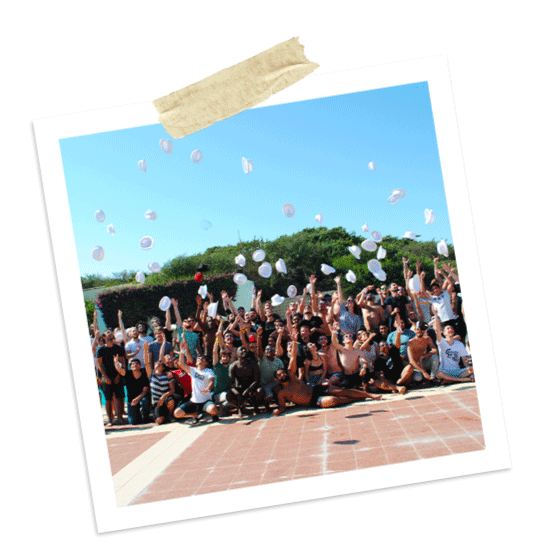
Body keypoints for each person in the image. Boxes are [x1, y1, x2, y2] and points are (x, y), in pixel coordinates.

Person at [272, 331, 381, 416]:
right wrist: (278, 410)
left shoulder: (292, 378)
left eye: (283, 373)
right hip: (312, 401)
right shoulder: (282, 393)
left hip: (316, 389)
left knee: (340, 391)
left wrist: (295, 342)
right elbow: (282, 407)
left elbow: (293, 357)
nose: (283, 375)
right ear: (277, 379)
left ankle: (370, 395)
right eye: (279, 375)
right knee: (332, 400)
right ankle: (355, 398)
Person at [173, 343, 219, 423]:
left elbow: (211, 381)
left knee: (213, 409)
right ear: (196, 362)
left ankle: (213, 415)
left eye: (202, 358)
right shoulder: (193, 370)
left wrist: (208, 388)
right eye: (198, 358)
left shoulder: (209, 371)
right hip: (194, 401)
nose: (200, 359)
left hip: (205, 401)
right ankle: (194, 415)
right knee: (176, 413)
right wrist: (182, 351)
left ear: (206, 363)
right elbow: (181, 364)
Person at [96, 329, 127, 426]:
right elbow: (99, 365)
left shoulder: (118, 348)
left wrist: (119, 375)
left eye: (111, 333)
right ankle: (110, 419)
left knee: (120, 397)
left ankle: (120, 418)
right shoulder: (100, 350)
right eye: (107, 333)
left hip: (117, 374)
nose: (110, 334)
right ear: (104, 337)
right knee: (108, 399)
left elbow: (122, 363)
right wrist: (105, 377)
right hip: (106, 377)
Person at [433, 315, 474, 383]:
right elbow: (437, 331)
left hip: (457, 371)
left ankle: (450, 380)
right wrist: (436, 315)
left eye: (451, 328)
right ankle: (463, 379)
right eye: (448, 329)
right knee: (439, 374)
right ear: (444, 333)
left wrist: (469, 369)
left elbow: (464, 359)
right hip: (445, 371)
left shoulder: (459, 344)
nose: (450, 330)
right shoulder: (442, 342)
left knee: (471, 369)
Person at [227, 346, 265, 416]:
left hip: (252, 387)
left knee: (260, 391)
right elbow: (231, 384)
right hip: (240, 388)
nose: (244, 351)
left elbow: (257, 380)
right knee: (229, 395)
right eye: (241, 350)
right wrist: (237, 393)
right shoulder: (233, 366)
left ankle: (255, 406)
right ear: (237, 353)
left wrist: (248, 389)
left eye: (245, 349)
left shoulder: (253, 364)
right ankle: (240, 407)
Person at [113, 357, 151, 425]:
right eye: (132, 364)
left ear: (140, 366)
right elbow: (120, 370)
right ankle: (138, 416)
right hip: (131, 400)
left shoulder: (144, 374)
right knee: (133, 422)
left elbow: (145, 391)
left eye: (137, 364)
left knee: (145, 401)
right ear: (130, 367)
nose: (134, 365)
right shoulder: (128, 374)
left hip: (142, 397)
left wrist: (137, 399)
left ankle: (146, 417)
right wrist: (116, 362)